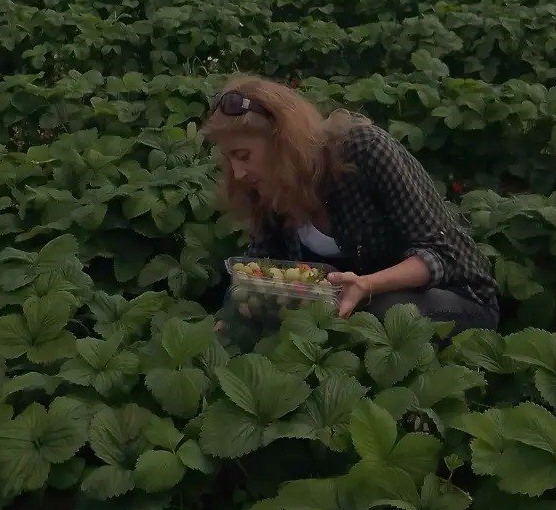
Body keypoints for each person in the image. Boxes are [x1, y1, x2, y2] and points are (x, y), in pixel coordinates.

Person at [202, 76, 499, 332]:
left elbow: (442, 255)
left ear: (282, 143)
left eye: (243, 156)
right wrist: (230, 317)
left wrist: (367, 285)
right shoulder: (266, 187)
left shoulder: (364, 151)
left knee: (376, 312)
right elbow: (263, 266)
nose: (238, 173)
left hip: (455, 298)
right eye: (229, 159)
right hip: (351, 301)